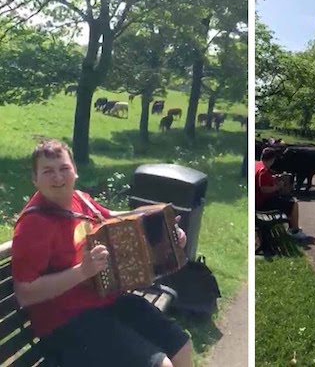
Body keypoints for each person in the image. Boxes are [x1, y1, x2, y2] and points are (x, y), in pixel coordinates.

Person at [11, 139, 193, 367]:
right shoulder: (33, 226)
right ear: (35, 179)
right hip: (66, 324)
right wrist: (82, 272)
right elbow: (25, 294)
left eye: (64, 168)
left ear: (75, 171)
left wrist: (168, 235)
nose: (58, 177)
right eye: (48, 171)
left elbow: (114, 219)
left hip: (105, 303)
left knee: (181, 345)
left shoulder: (80, 199)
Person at [255, 147, 307, 239]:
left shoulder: (258, 165)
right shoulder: (263, 171)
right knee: (294, 204)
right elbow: (264, 189)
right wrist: (277, 187)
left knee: (287, 201)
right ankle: (294, 230)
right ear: (272, 159)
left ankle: (292, 226)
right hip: (263, 203)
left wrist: (274, 178)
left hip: (260, 201)